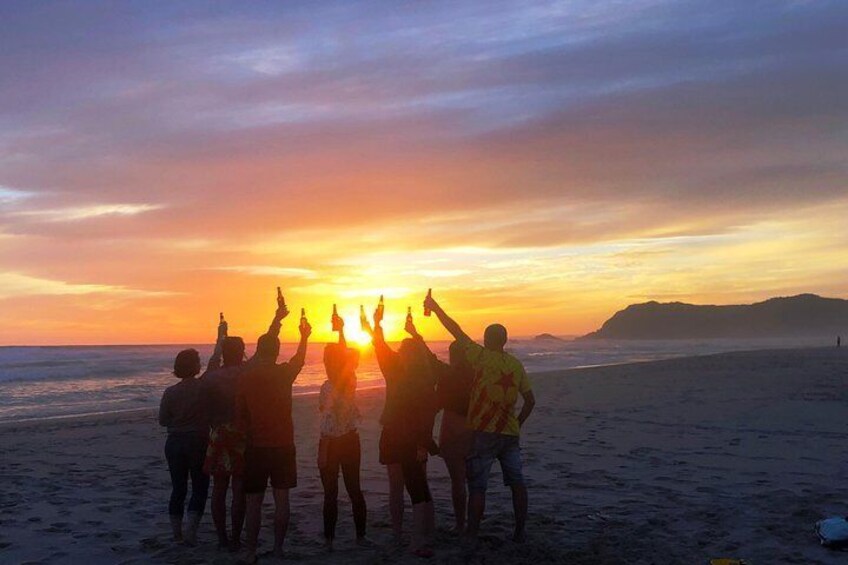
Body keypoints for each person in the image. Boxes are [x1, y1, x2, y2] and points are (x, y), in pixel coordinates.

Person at [424, 291, 536, 544]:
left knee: (477, 487)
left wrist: (435, 307)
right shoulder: (516, 365)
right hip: (509, 434)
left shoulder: (481, 358)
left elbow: (456, 329)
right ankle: (519, 531)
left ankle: (472, 532)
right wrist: (518, 423)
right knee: (517, 483)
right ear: (505, 341)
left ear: (486, 340)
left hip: (484, 433)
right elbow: (530, 401)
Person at [235, 295, 311, 563]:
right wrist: (304, 337)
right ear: (277, 352)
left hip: (256, 446)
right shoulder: (283, 374)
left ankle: (251, 551)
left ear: (258, 350)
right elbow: (300, 360)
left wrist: (277, 320)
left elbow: (240, 413)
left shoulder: (246, 376)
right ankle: (278, 549)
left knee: (254, 503)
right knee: (282, 500)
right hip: (282, 445)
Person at [201, 307, 281, 552]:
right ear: (242, 352)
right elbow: (264, 351)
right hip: (242, 434)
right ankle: (236, 537)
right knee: (238, 489)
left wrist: (220, 338)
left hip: (218, 434)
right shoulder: (247, 371)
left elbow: (213, 364)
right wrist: (276, 320)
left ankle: (222, 538)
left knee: (219, 489)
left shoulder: (213, 376)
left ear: (225, 353)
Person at [365, 304, 438, 557]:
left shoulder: (406, 375)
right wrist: (376, 324)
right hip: (400, 435)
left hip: (406, 437)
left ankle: (415, 536)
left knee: (411, 487)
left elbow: (380, 345)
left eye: (404, 352)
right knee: (408, 486)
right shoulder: (420, 378)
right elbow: (380, 345)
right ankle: (411, 534)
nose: (400, 355)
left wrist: (376, 324)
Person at [318, 316, 369, 550]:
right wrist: (341, 331)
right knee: (354, 489)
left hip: (332, 444)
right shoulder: (351, 381)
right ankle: (360, 537)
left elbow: (326, 426)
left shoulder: (327, 387)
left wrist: (322, 452)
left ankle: (329, 540)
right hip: (351, 441)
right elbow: (346, 359)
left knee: (331, 493)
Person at [159, 348, 212, 546]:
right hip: (198, 441)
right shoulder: (204, 388)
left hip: (174, 442)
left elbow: (162, 420)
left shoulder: (170, 391)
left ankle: (176, 532)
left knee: (178, 488)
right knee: (199, 487)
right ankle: (191, 531)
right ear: (196, 366)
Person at [433, 341, 474, 533]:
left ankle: (459, 523)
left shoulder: (447, 376)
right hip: (475, 430)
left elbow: (437, 404)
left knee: (457, 481)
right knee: (474, 480)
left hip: (452, 429)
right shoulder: (478, 375)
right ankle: (474, 521)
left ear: (452, 355)